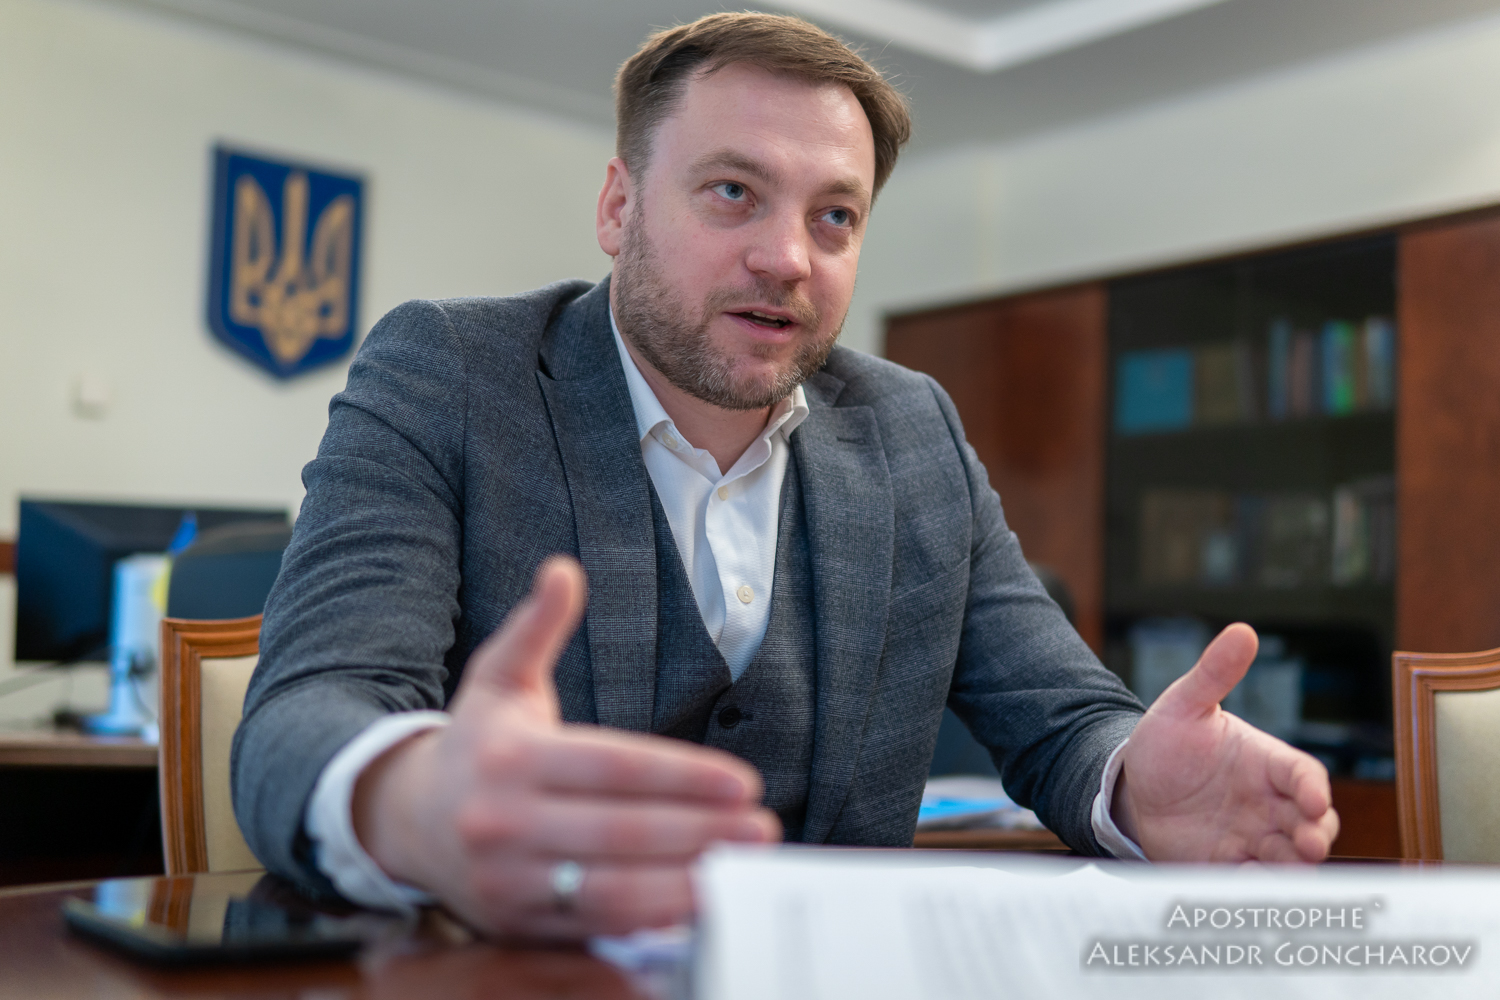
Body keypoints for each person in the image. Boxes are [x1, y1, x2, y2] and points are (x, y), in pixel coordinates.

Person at [232, 12, 1339, 940]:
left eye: (834, 216)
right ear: (619, 206)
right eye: (732, 191)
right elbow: (309, 708)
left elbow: (1060, 720)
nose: (788, 257)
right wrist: (415, 799)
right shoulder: (452, 372)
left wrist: (1137, 783)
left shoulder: (912, 429)